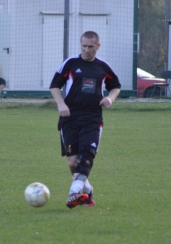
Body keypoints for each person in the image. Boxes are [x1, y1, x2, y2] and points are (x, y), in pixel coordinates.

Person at [49, 31, 121, 209]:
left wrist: (110, 98)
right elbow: (55, 85)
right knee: (73, 162)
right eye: (84, 46)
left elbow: (116, 86)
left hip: (92, 118)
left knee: (87, 154)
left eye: (90, 47)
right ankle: (87, 191)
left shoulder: (103, 67)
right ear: (80, 45)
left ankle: (74, 191)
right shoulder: (71, 63)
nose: (87, 50)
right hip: (70, 118)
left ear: (98, 46)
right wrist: (61, 104)